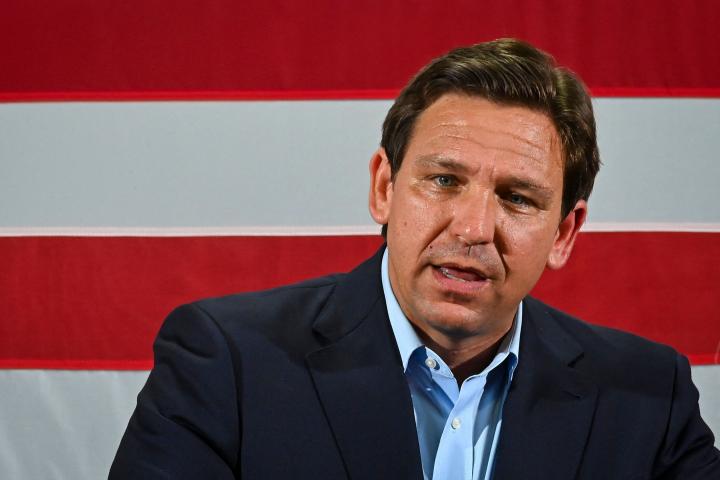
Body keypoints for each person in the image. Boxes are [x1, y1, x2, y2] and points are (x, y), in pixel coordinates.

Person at [110, 39, 719, 479]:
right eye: (444, 181)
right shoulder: (226, 363)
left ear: (564, 232)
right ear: (384, 187)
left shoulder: (648, 397)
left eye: (517, 198)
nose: (473, 228)